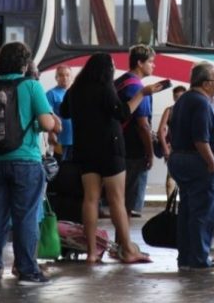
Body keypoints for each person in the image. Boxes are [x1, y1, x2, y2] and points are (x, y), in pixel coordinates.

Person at [61, 53, 162, 264]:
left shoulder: (76, 89)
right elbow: (123, 113)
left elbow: (64, 111)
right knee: (117, 200)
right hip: (110, 149)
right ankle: (128, 250)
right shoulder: (105, 88)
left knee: (90, 199)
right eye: (112, 66)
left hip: (85, 150)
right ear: (105, 70)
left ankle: (90, 252)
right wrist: (142, 93)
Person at [0, 43, 58, 286]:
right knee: (25, 216)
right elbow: (47, 124)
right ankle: (26, 271)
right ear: (25, 64)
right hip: (25, 160)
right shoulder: (31, 86)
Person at [168, 62, 214, 271]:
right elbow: (200, 138)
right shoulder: (201, 103)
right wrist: (211, 163)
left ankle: (186, 258)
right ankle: (200, 259)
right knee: (204, 213)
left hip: (181, 160)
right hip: (200, 162)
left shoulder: (184, 100)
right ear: (206, 83)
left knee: (188, 212)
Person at [115, 44, 156, 217]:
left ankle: (120, 240)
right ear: (140, 63)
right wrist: (150, 152)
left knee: (119, 198)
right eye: (151, 62)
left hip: (119, 145)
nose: (153, 65)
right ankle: (122, 242)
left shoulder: (121, 82)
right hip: (134, 150)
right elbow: (142, 125)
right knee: (128, 203)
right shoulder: (138, 88)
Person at [157, 85, 186, 197]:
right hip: (174, 149)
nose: (178, 99)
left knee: (179, 179)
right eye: (176, 96)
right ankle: (170, 206)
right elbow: (160, 131)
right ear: (173, 97)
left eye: (180, 96)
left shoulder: (190, 109)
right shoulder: (169, 110)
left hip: (186, 149)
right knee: (171, 179)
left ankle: (178, 207)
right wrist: (166, 149)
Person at [46, 65, 73, 161]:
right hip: (60, 140)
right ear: (56, 78)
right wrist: (50, 133)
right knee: (61, 169)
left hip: (76, 140)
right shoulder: (51, 94)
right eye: (61, 75)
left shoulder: (75, 92)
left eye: (67, 75)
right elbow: (47, 115)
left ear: (71, 77)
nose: (65, 78)